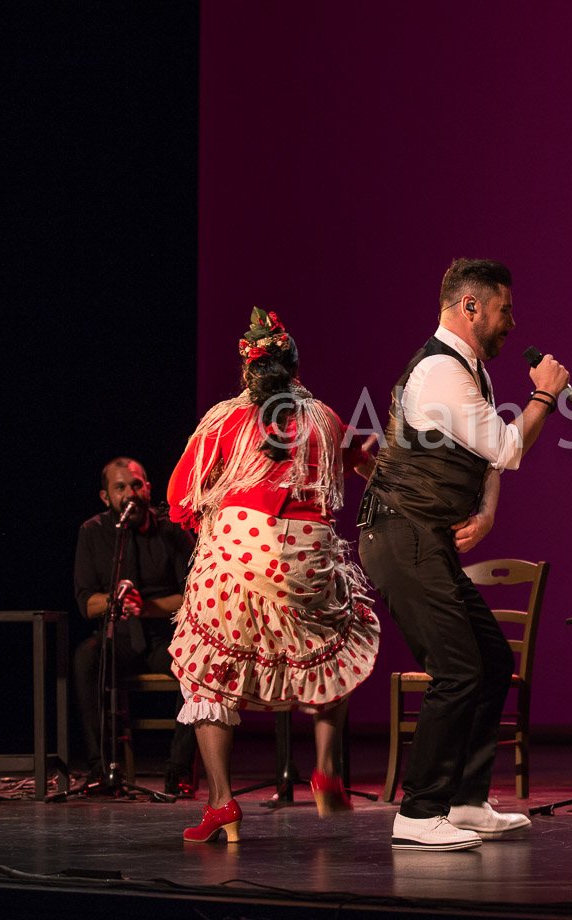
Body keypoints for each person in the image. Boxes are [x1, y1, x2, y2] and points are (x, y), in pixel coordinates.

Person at [359, 258, 570, 851]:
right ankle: (419, 811)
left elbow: (488, 459)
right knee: (457, 669)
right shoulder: (440, 371)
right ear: (470, 307)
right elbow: (506, 447)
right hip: (401, 534)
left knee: (493, 661)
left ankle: (466, 801)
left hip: (424, 538)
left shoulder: (469, 370)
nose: (513, 323)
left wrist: (488, 511)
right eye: (505, 310)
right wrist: (544, 396)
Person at [167, 307, 381, 842]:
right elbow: (356, 461)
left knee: (207, 667)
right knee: (335, 643)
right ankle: (327, 769)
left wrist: (215, 524)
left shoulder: (223, 420)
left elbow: (179, 496)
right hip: (307, 556)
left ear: (248, 371)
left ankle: (221, 802)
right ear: (296, 369)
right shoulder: (325, 419)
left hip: (239, 552)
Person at [72, 457, 197, 795]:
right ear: (106, 497)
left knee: (196, 666)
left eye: (136, 485)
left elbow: (194, 595)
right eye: (120, 487)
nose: (130, 493)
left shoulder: (172, 529)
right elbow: (86, 602)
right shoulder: (93, 531)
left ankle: (179, 770)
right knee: (87, 658)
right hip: (122, 635)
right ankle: (101, 769)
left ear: (149, 488)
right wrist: (116, 600)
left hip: (164, 635)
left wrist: (149, 608)